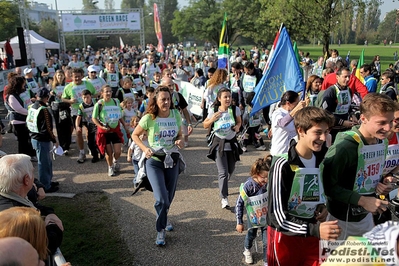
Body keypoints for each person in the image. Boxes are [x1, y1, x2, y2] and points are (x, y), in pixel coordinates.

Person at [267, 106, 340, 265]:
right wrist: (314, 230)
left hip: (314, 236)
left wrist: (322, 205)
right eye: (317, 132)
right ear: (300, 130)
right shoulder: (283, 165)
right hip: (286, 240)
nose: (322, 137)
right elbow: (276, 217)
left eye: (326, 132)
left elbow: (319, 191)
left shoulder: (322, 159)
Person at [322, 93, 396, 240]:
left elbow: (367, 175)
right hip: (340, 219)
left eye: (391, 121)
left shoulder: (382, 142)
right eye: (381, 123)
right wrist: (363, 200)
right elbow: (327, 185)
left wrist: (382, 182)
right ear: (363, 118)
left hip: (365, 217)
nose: (388, 128)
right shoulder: (345, 147)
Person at [132, 86, 186, 246]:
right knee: (162, 198)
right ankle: (160, 230)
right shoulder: (149, 118)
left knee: (168, 198)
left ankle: (163, 217)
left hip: (172, 160)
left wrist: (180, 140)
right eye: (163, 99)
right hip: (154, 161)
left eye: (168, 99)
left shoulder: (176, 114)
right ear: (155, 101)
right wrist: (144, 148)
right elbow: (134, 135)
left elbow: (180, 135)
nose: (166, 102)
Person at [0, 154, 64, 257]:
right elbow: (46, 245)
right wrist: (54, 225)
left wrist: (50, 213)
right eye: (33, 173)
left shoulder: (13, 195)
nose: (34, 178)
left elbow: (36, 206)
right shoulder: (19, 217)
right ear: (26, 180)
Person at [203, 88, 242, 209]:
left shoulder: (235, 109)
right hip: (219, 143)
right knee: (223, 172)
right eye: (225, 97)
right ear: (219, 99)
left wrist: (237, 127)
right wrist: (212, 119)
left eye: (229, 97)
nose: (228, 99)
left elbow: (239, 122)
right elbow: (205, 125)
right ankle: (224, 197)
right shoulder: (214, 110)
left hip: (232, 143)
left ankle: (223, 183)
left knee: (230, 169)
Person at [235, 155, 272, 265]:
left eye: (268, 178)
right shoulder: (248, 186)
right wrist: (239, 222)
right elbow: (239, 204)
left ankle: (266, 260)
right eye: (263, 177)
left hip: (266, 217)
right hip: (253, 218)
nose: (265, 181)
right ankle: (247, 250)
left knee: (267, 241)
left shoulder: (267, 184)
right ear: (256, 174)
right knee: (251, 235)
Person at [27, 88, 59, 193]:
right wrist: (54, 140)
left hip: (34, 137)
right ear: (47, 98)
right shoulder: (44, 109)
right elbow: (48, 128)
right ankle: (45, 185)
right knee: (44, 163)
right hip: (42, 139)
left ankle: (48, 181)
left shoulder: (32, 106)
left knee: (46, 161)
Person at [62, 67, 97, 163]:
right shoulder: (68, 87)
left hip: (88, 110)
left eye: (79, 76)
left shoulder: (88, 84)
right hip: (76, 110)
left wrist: (89, 99)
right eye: (75, 77)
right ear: (71, 77)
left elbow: (95, 94)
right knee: (78, 131)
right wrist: (70, 101)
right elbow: (63, 98)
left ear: (82, 76)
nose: (77, 78)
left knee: (89, 131)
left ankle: (91, 147)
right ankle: (82, 152)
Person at [92, 85, 126, 176]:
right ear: (102, 93)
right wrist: (101, 126)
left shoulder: (116, 101)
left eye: (110, 91)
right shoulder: (99, 104)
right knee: (109, 152)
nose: (108, 93)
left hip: (115, 130)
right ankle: (110, 167)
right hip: (104, 131)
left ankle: (115, 161)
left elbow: (120, 116)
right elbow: (94, 118)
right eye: (106, 91)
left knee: (118, 152)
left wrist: (125, 126)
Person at [319, 67, 356, 141]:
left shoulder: (348, 90)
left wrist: (352, 115)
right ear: (337, 77)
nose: (348, 79)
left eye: (349, 76)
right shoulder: (331, 91)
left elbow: (348, 105)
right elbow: (325, 112)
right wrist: (342, 122)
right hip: (332, 129)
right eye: (345, 77)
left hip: (345, 127)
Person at [4, 76, 36, 160]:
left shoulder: (20, 93)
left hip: (25, 120)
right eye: (23, 84)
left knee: (28, 139)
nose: (24, 85)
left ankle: (30, 155)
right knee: (22, 141)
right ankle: (23, 158)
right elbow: (18, 109)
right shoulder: (11, 96)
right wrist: (31, 112)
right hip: (18, 121)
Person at [270, 91, 306, 156]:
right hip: (280, 153)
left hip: (293, 152)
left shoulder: (295, 113)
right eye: (296, 103)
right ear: (288, 103)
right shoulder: (278, 113)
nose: (298, 105)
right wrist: (296, 110)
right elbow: (282, 123)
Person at [49, 70, 72, 154]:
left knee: (67, 125)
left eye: (61, 75)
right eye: (58, 75)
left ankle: (67, 145)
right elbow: (48, 99)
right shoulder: (52, 86)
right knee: (59, 127)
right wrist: (52, 94)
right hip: (56, 107)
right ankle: (62, 145)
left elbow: (70, 96)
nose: (60, 77)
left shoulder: (67, 85)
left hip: (65, 106)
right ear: (56, 76)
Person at [76, 90, 100, 163]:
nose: (86, 99)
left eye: (88, 97)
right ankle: (95, 156)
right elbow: (78, 117)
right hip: (90, 124)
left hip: (99, 123)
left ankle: (102, 152)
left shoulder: (96, 102)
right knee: (90, 142)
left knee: (98, 140)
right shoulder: (81, 106)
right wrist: (77, 126)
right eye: (84, 98)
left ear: (90, 97)